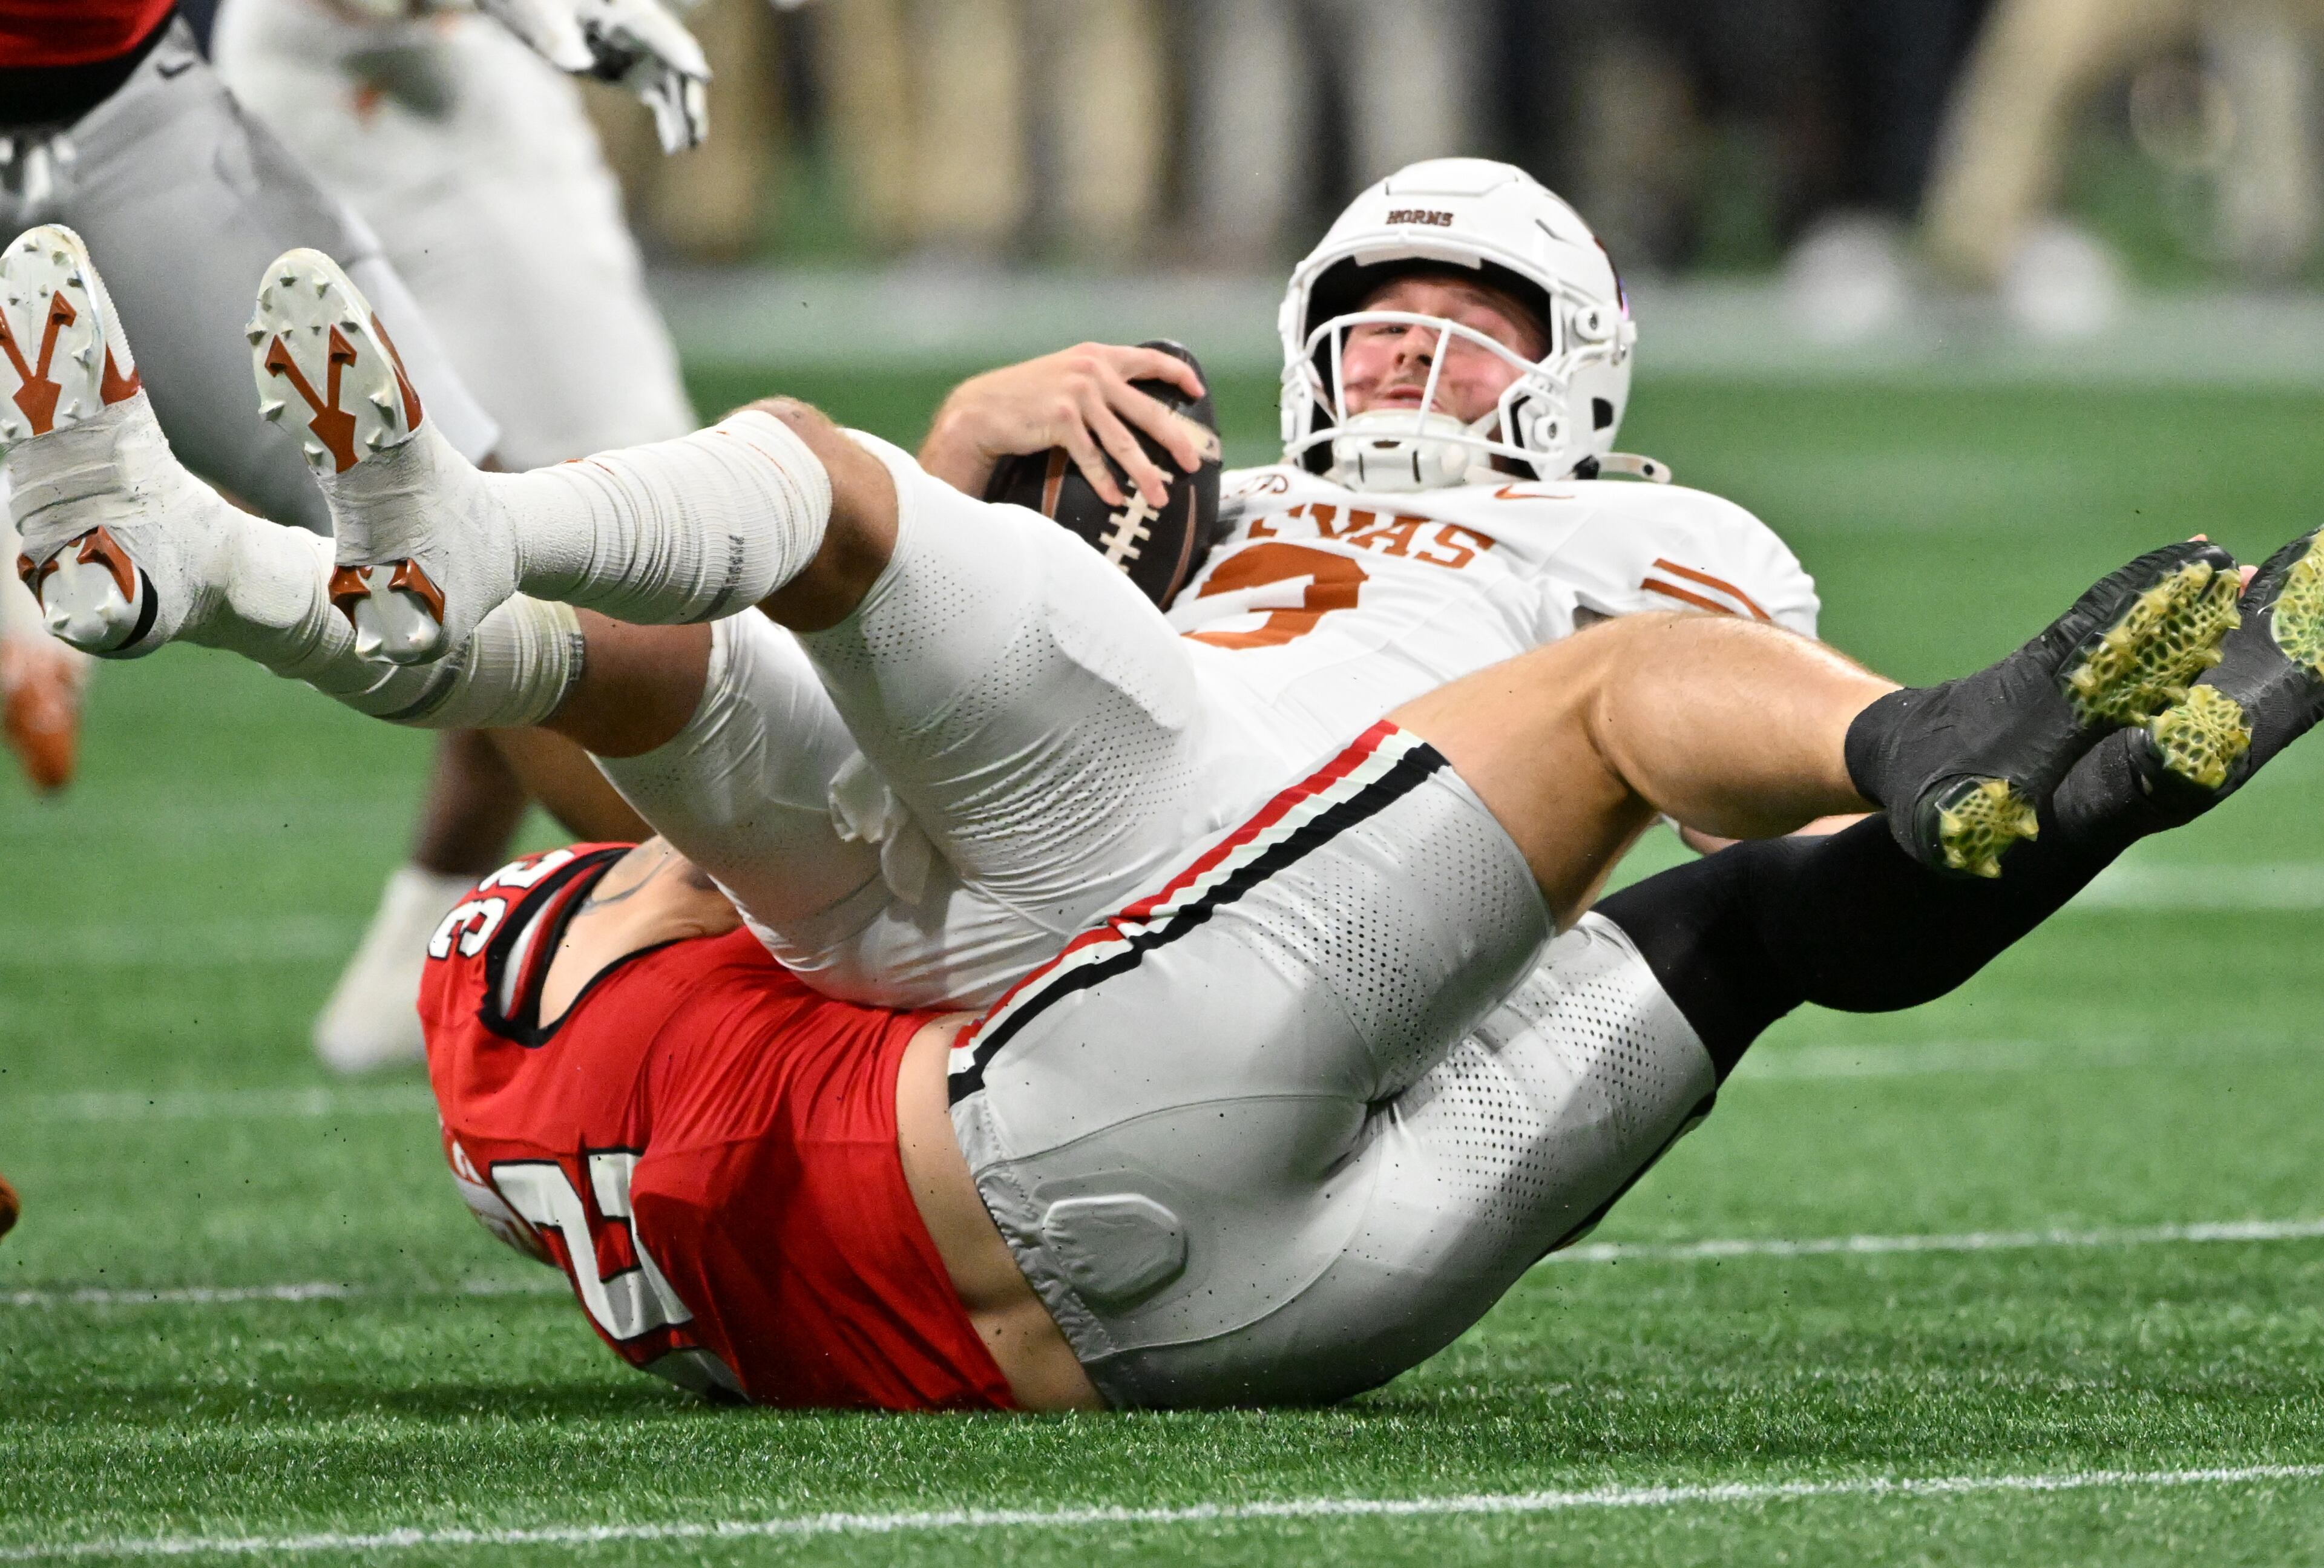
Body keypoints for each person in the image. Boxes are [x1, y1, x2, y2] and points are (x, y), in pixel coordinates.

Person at [12, 214, 2306, 1408]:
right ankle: (282, 563)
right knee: (788, 560)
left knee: (802, 510)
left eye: (1472, 330)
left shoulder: (1660, 532)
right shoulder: (1215, 498)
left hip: (1159, 925)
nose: (1413, 361)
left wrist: (1950, 785)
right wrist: (981, 465)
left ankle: (346, 551)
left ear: (1584, 380)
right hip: (1119, 979)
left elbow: (1789, 916)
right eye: (1380, 320)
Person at [210, 0, 701, 1072]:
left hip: (473, 87)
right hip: (386, 90)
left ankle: (398, 981)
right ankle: (711, 909)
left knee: (594, 549)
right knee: (567, 554)